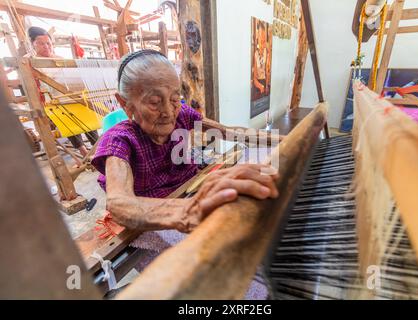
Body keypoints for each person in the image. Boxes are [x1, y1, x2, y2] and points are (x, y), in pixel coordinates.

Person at [91, 49, 280, 233]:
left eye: (174, 98)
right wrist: (188, 210)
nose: (168, 112)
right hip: (153, 215)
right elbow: (118, 203)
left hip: (187, 188)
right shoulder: (119, 140)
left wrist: (285, 139)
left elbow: (231, 133)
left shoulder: (182, 114)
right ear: (125, 103)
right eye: (155, 102)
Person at [28, 26, 98, 157]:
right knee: (66, 116)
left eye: (48, 43)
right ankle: (84, 152)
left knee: (87, 110)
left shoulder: (60, 59)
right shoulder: (31, 63)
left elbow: (74, 79)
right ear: (33, 44)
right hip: (52, 103)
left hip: (70, 97)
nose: (46, 46)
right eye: (41, 43)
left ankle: (97, 148)